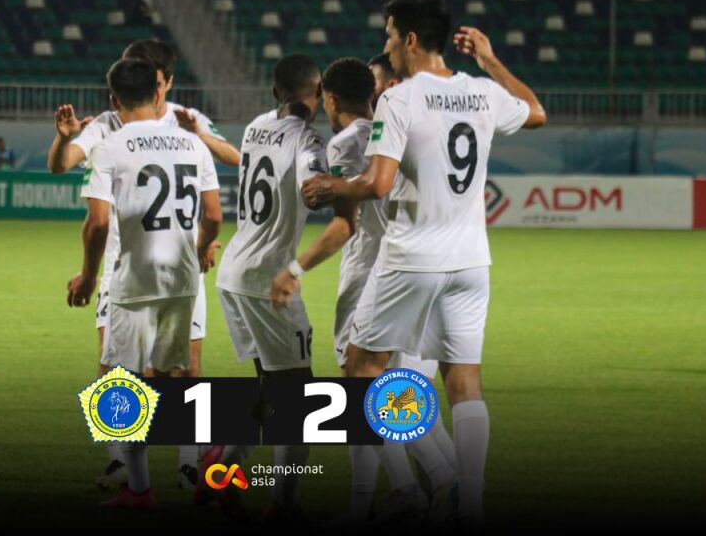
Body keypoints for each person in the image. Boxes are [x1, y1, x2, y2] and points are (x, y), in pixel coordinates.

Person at [302, 0, 547, 528]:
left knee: (360, 369)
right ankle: (469, 502)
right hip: (472, 261)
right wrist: (490, 60)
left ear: (410, 39)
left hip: (412, 257)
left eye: (391, 35)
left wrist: (330, 187)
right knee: (464, 380)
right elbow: (535, 112)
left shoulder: (400, 98)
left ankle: (402, 489)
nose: (388, 45)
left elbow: (377, 183)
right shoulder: (481, 92)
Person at [270, 57, 457, 524]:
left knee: (363, 387)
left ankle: (426, 481)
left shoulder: (346, 142)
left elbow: (346, 225)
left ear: (331, 99)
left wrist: (295, 266)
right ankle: (428, 484)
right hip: (418, 270)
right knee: (397, 391)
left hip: (370, 274)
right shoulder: (398, 134)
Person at [47, 39, 238, 490]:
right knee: (134, 370)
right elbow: (214, 213)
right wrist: (203, 243)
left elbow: (95, 221)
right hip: (161, 265)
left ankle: (169, 469)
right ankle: (125, 463)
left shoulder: (178, 126)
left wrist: (88, 274)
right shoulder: (119, 128)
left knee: (154, 371)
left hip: (134, 270)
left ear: (165, 82)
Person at [214, 54, 340, 523]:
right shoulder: (309, 139)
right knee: (298, 398)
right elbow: (313, 189)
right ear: (321, 92)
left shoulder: (255, 127)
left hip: (233, 271)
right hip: (267, 277)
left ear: (274, 93)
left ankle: (224, 469)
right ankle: (283, 504)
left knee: (270, 385)